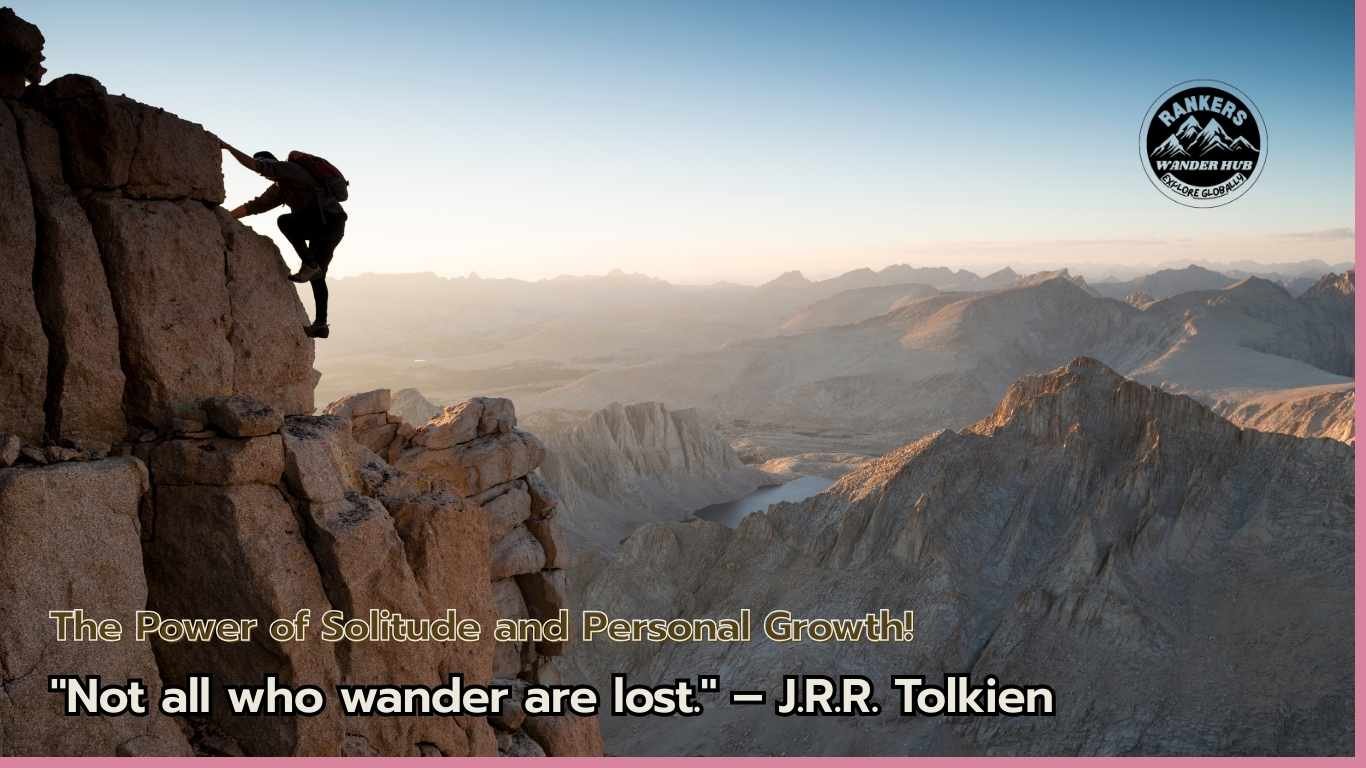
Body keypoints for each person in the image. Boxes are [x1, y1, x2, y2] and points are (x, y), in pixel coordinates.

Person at [221, 142, 347, 339]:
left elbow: (258, 166)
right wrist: (224, 216)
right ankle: (321, 324)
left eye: (266, 168)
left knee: (285, 221)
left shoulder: (290, 170)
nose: (265, 174)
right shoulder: (279, 188)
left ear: (272, 163)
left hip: (329, 224)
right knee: (317, 275)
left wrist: (229, 148)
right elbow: (255, 206)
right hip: (324, 225)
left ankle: (310, 264)